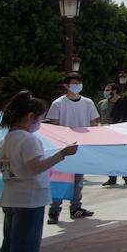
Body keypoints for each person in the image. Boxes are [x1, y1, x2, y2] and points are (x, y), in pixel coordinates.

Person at [0, 91, 78, 252]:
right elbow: (34, 168)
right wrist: (62, 154)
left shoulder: (6, 140)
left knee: (11, 240)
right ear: (31, 116)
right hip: (28, 198)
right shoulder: (29, 140)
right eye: (40, 119)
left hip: (11, 195)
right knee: (25, 240)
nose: (40, 124)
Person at [45, 72, 97, 224]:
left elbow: (94, 123)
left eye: (78, 83)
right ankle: (54, 211)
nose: (77, 86)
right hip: (63, 147)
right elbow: (53, 126)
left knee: (78, 180)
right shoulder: (58, 104)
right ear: (66, 86)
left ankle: (76, 208)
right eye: (73, 83)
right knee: (60, 179)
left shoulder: (88, 103)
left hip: (81, 146)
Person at [99, 84, 127, 187]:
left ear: (114, 91)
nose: (105, 92)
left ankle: (126, 177)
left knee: (123, 156)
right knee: (108, 157)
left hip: (121, 133)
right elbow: (98, 118)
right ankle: (112, 178)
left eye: (107, 90)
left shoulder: (126, 103)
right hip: (106, 133)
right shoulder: (101, 103)